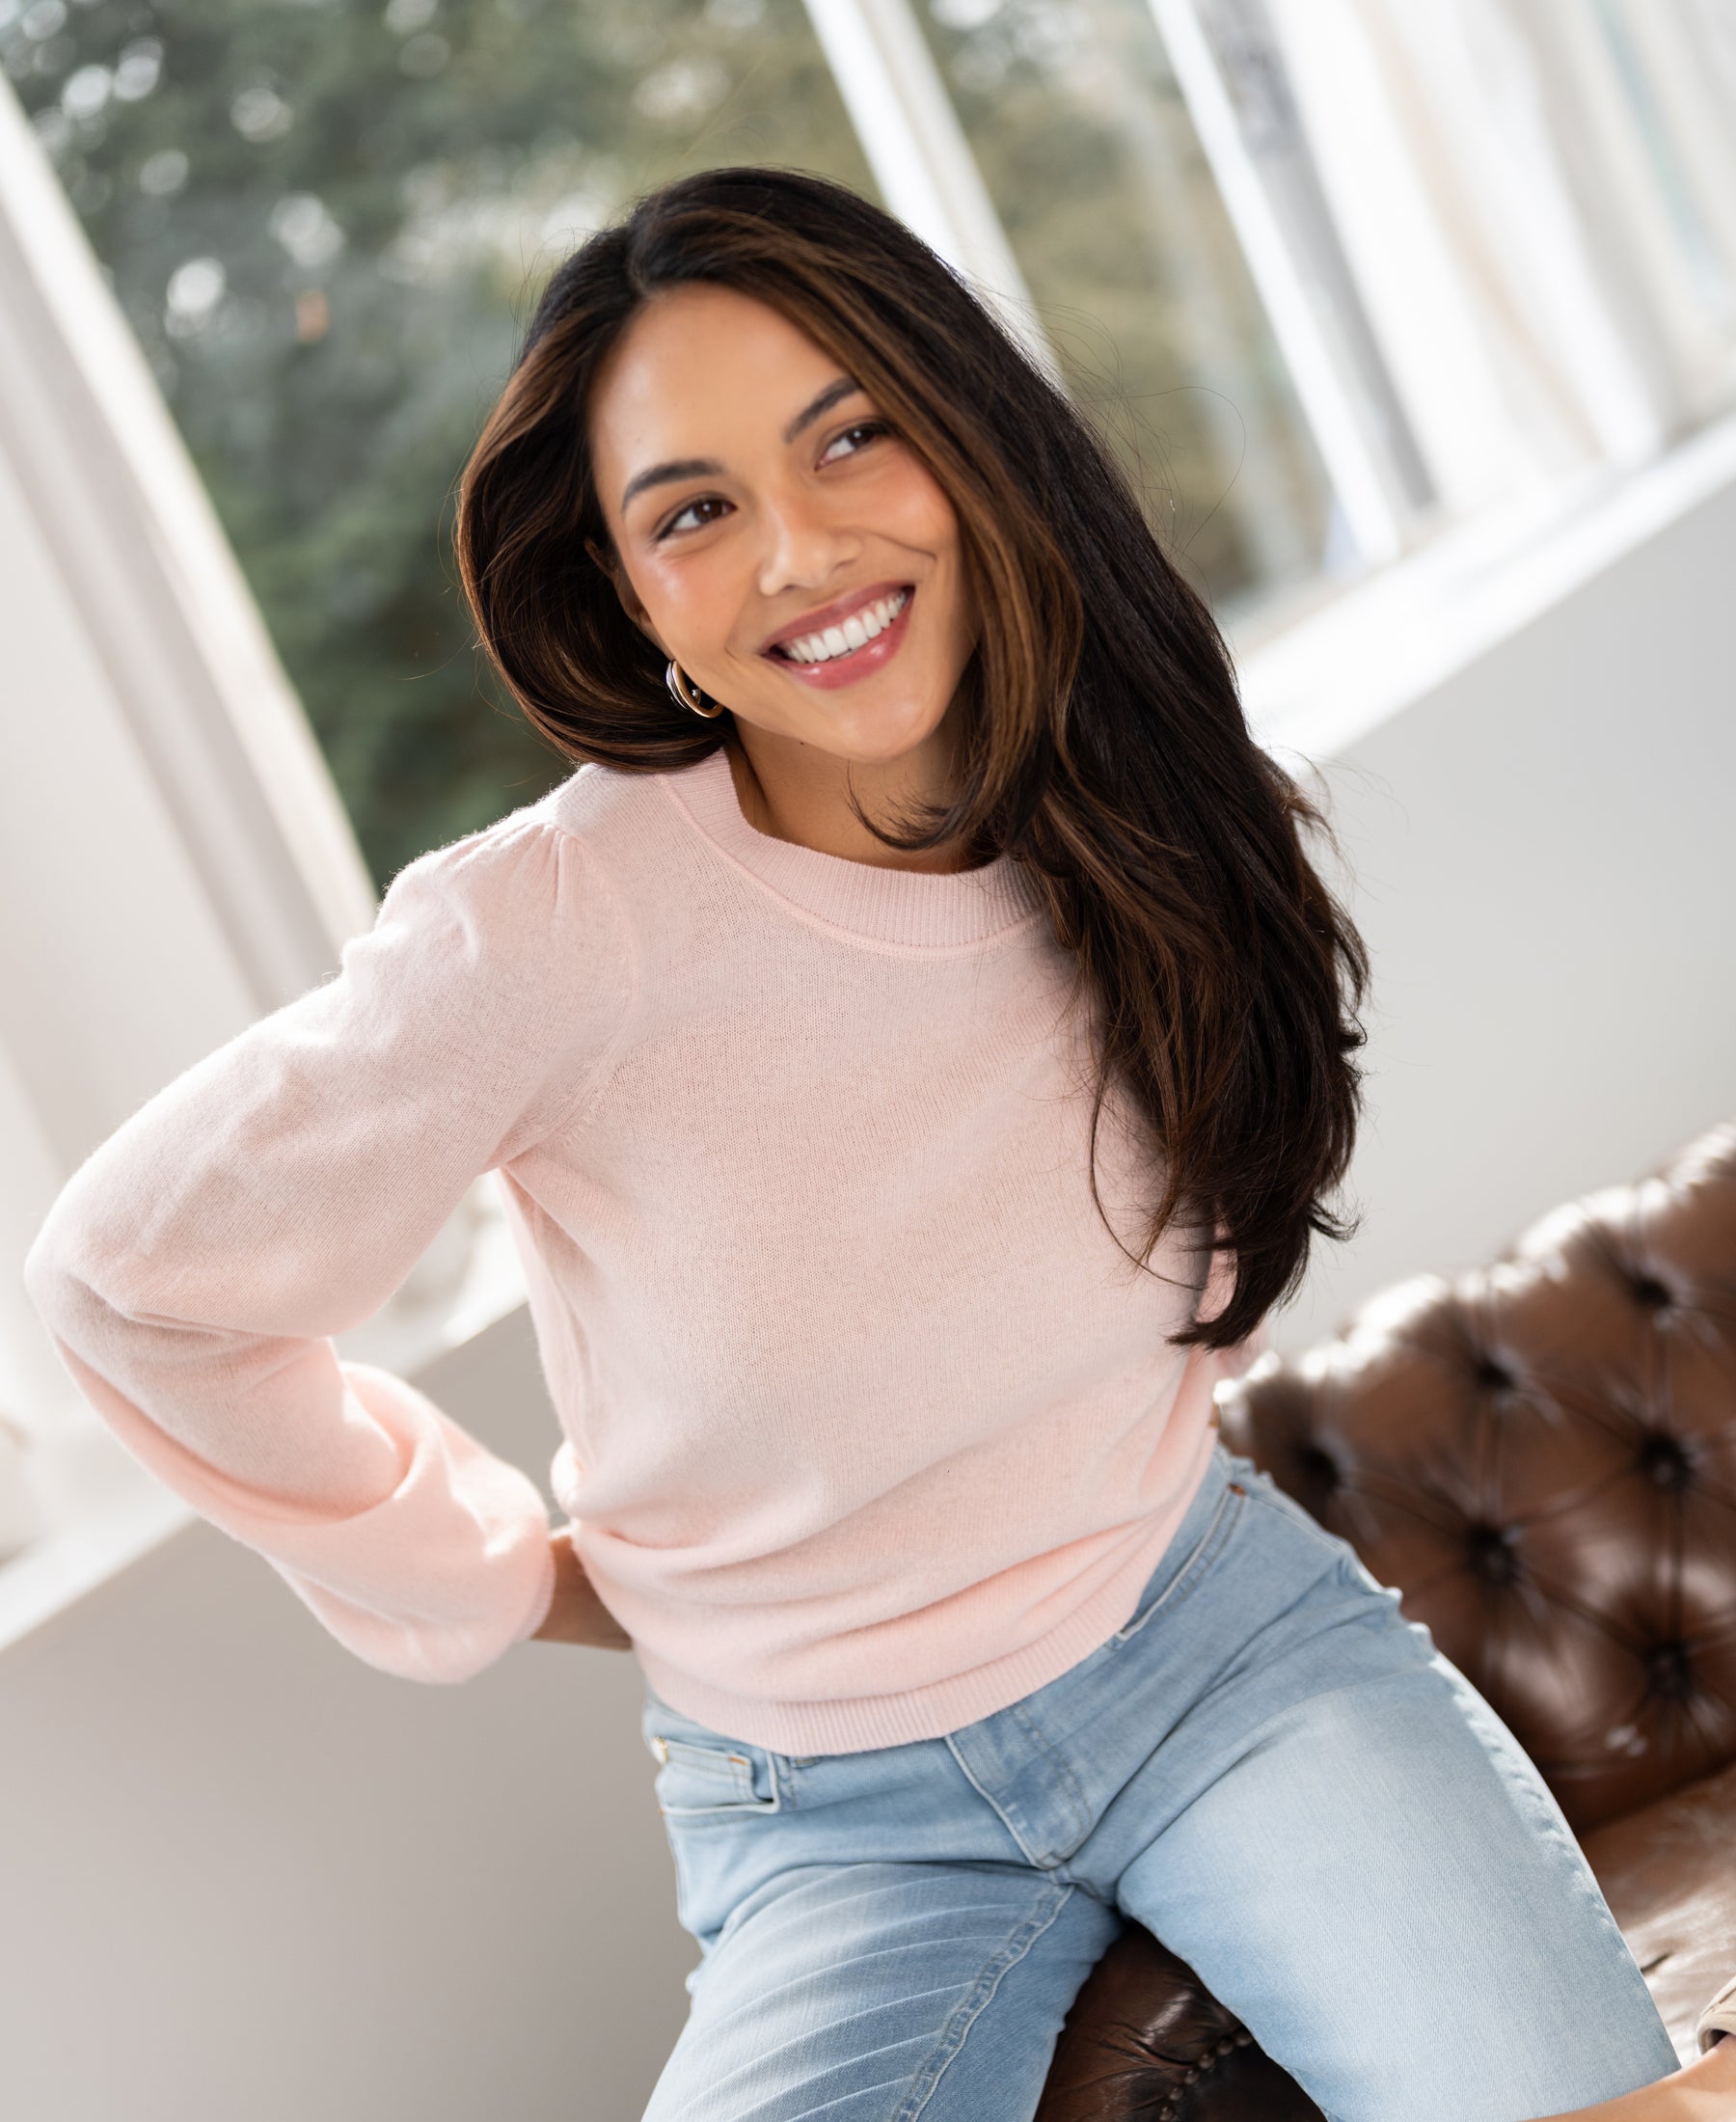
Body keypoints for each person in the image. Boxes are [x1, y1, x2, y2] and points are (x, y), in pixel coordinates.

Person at [24, 167, 1736, 2122]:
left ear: (965, 436)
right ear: (631, 593)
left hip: (1223, 1648)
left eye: (852, 433)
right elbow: (126, 1279)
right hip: (831, 1813)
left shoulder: (1138, 790)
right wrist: (494, 1568)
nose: (803, 548)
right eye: (696, 509)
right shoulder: (546, 928)